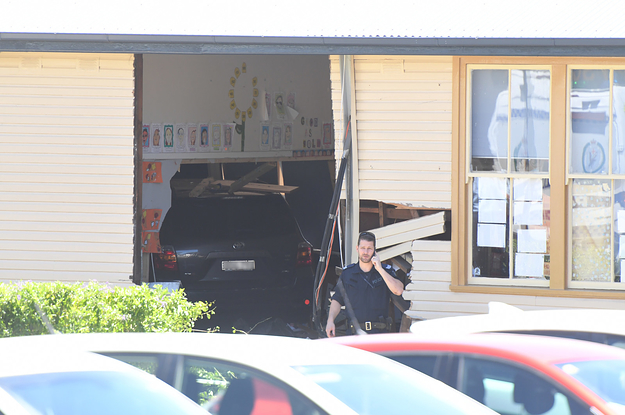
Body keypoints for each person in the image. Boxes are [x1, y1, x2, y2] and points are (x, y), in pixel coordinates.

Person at [325, 232, 404, 337]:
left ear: (374, 251)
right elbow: (337, 300)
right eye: (363, 248)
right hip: (353, 334)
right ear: (357, 248)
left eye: (369, 248)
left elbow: (398, 290)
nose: (365, 252)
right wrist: (330, 321)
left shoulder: (385, 271)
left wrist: (379, 269)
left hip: (379, 334)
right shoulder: (348, 273)